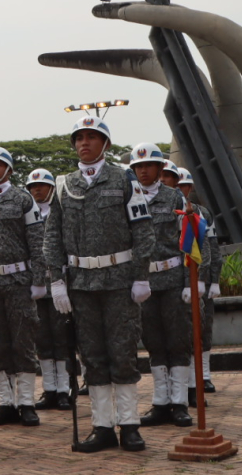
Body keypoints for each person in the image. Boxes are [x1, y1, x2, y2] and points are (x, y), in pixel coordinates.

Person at [43, 117, 153, 453]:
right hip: (82, 284)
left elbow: (143, 229)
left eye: (92, 137)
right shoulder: (64, 185)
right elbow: (52, 236)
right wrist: (57, 281)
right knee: (91, 356)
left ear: (105, 144)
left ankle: (129, 425)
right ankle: (102, 426)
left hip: (119, 281)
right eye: (79, 138)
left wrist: (141, 275)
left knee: (122, 353)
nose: (84, 143)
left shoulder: (124, 179)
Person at [129, 144, 197, 429]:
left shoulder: (176, 199)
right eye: (138, 166)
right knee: (154, 343)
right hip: (143, 282)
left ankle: (179, 403)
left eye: (149, 165)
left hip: (171, 280)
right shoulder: (128, 199)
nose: (143, 171)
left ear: (160, 169)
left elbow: (191, 243)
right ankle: (160, 402)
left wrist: (189, 283)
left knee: (177, 341)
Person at [0, 146, 46, 429]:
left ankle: (27, 403)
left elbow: (37, 241)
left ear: (9, 169)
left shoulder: (22, 199)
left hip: (19, 281)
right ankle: (7, 403)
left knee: (23, 342)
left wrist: (39, 279)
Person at [27, 169, 73, 411]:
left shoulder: (60, 212)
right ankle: (49, 389)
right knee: (42, 338)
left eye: (41, 186)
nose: (37, 190)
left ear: (51, 188)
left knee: (61, 337)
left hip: (59, 283)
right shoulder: (28, 213)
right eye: (32, 186)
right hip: (36, 283)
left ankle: (64, 389)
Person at [175, 168, 221, 398]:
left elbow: (212, 249)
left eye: (183, 185)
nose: (179, 189)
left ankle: (204, 376)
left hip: (200, 280)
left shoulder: (203, 213)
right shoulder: (167, 210)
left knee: (203, 328)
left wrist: (212, 280)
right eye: (176, 184)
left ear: (189, 188)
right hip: (175, 279)